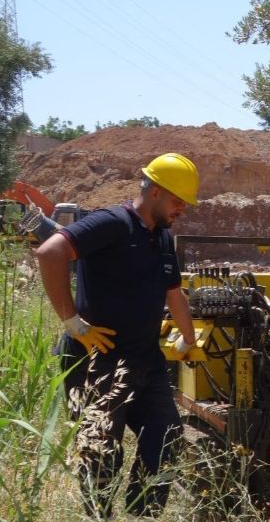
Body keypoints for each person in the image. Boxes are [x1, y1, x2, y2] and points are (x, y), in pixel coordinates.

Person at [36, 153, 200, 519]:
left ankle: (142, 514)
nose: (181, 210)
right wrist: (73, 322)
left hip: (146, 362)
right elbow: (50, 253)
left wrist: (188, 339)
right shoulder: (111, 223)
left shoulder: (162, 238)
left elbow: (174, 293)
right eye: (177, 201)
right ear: (155, 192)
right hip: (98, 362)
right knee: (101, 454)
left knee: (167, 436)